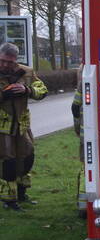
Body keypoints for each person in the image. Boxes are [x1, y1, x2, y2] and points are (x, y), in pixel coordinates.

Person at [0, 42, 48, 210]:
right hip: (2, 128)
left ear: (16, 60)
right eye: (3, 60)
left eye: (10, 62)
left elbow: (42, 90)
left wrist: (27, 90)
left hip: (22, 126)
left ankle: (22, 193)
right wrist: (3, 95)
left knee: (27, 158)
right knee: (8, 162)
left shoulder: (27, 72)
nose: (6, 65)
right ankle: (9, 200)